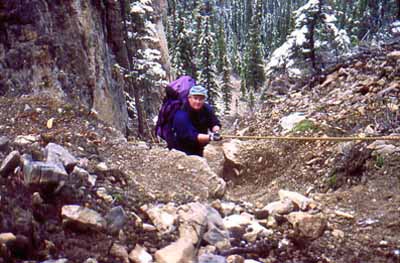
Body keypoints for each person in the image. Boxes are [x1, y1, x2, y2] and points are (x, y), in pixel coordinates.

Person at [171, 85, 222, 156]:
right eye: (195, 98)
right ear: (189, 98)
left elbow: (214, 122)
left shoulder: (206, 109)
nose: (198, 102)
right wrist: (211, 137)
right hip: (182, 150)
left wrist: (216, 131)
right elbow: (191, 136)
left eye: (201, 99)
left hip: (200, 147)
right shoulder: (181, 114)